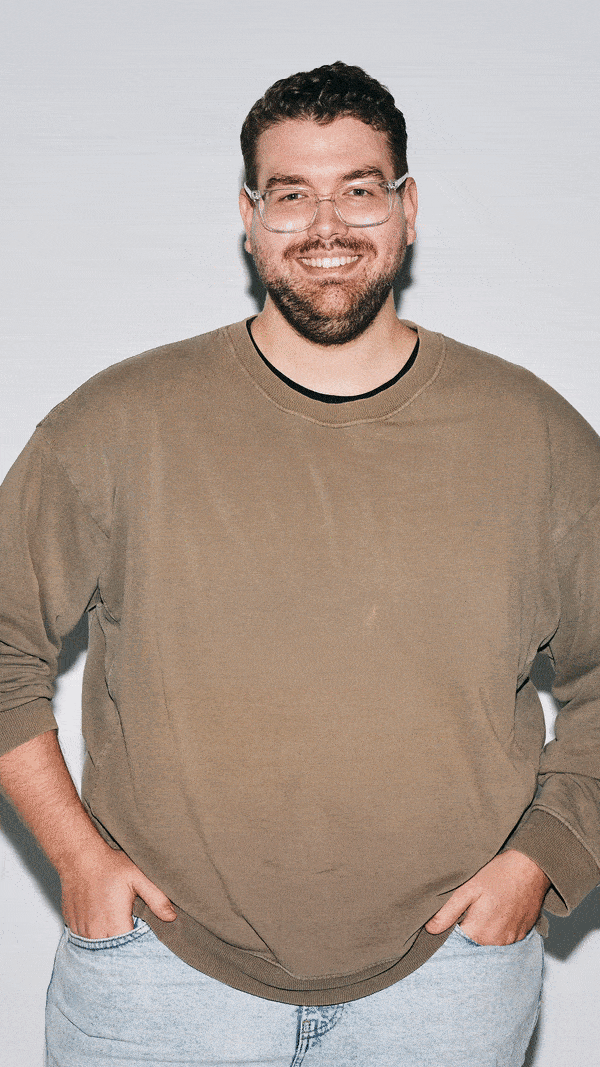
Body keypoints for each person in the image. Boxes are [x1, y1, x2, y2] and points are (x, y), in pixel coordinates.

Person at [0, 60, 599, 1067]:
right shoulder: (116, 424)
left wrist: (542, 859)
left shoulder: (534, 436)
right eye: (291, 194)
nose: (327, 225)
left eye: (359, 189)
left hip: (448, 985)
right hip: (159, 976)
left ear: (408, 209)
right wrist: (78, 855)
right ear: (250, 218)